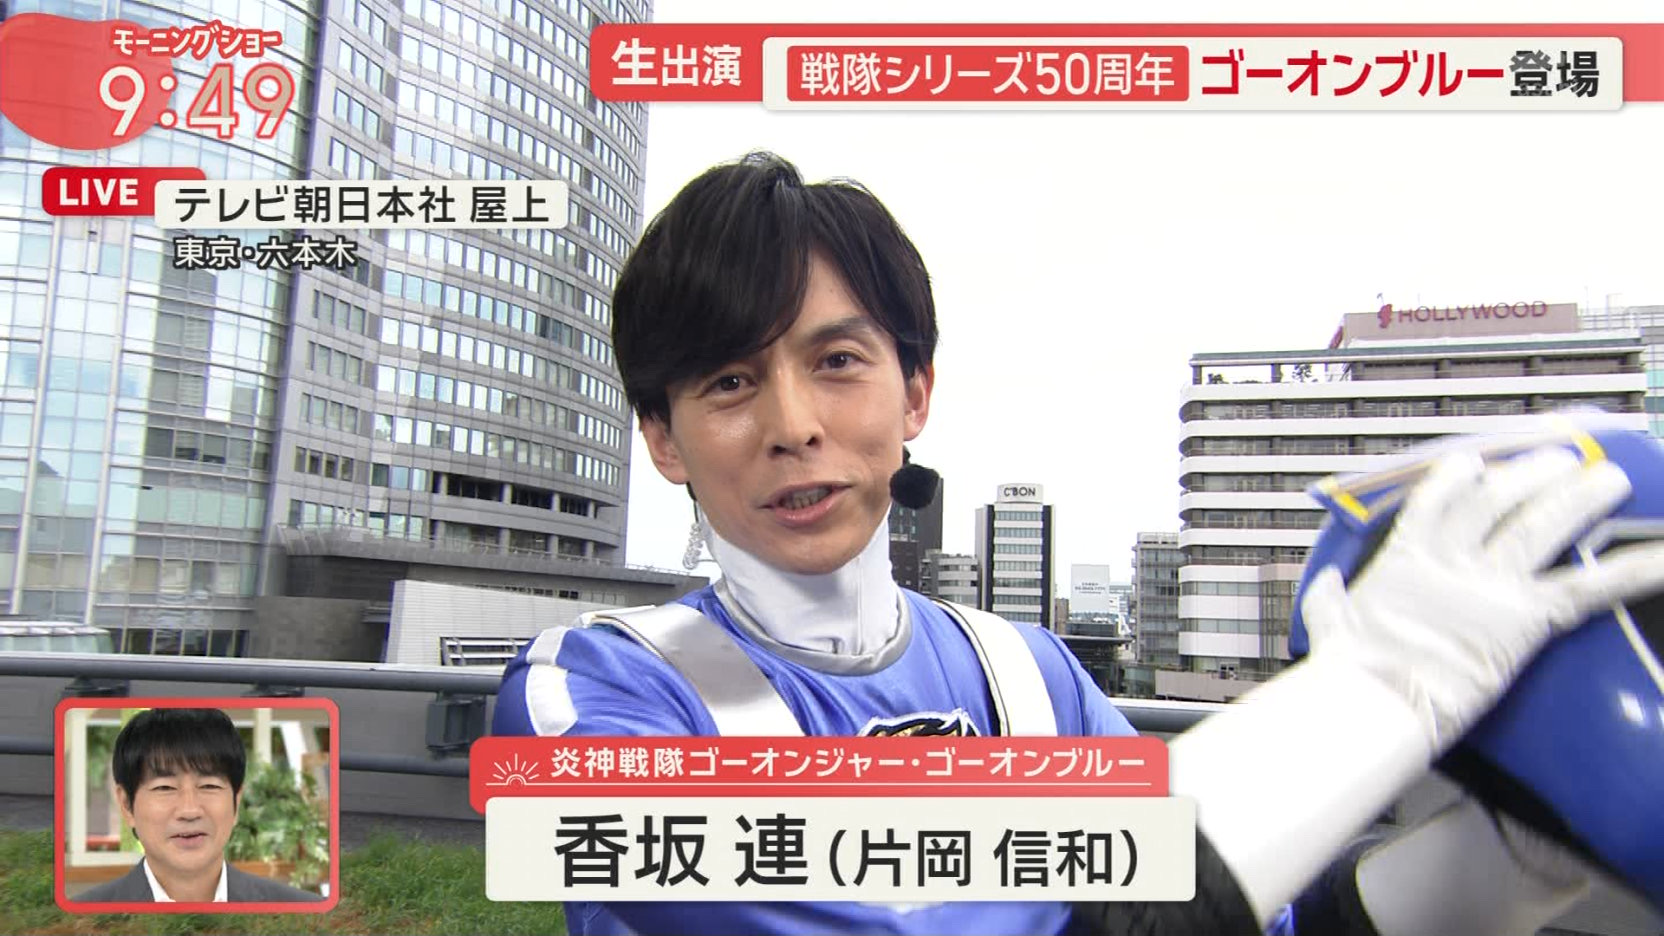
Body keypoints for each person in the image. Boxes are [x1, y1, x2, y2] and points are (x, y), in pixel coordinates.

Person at [492, 152, 1664, 935]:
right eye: (729, 381)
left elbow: (1227, 915)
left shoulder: (1030, 673)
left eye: (837, 361)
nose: (793, 423)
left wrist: (1496, 868)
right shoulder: (581, 691)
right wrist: (1378, 687)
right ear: (662, 438)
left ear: (915, 393)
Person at [74, 708, 325, 905]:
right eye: (165, 788)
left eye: (209, 786)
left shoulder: (307, 913)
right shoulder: (76, 920)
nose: (189, 810)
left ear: (236, 802)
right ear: (127, 805)